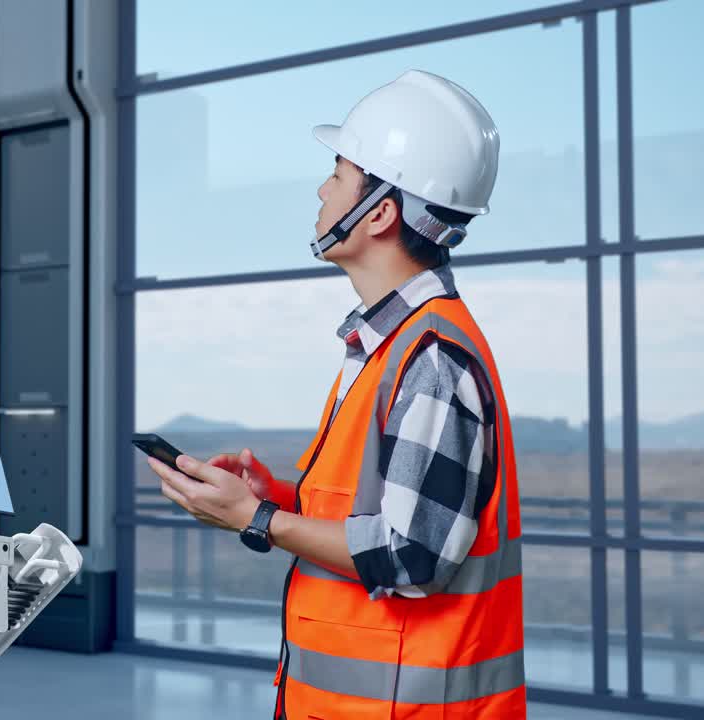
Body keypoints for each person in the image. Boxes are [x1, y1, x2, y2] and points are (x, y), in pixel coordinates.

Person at [146, 69, 525, 719]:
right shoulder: (389, 344)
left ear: (380, 212)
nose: (322, 189)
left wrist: (256, 520)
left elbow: (412, 557)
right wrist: (278, 500)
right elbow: (385, 514)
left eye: (339, 173)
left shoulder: (430, 359)